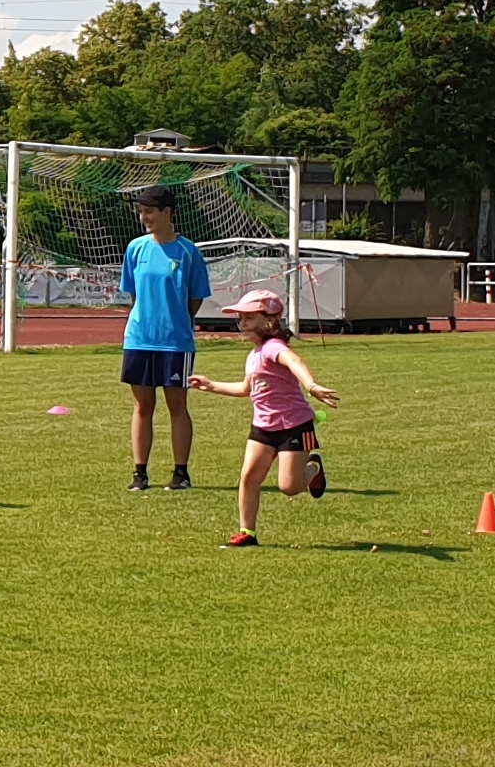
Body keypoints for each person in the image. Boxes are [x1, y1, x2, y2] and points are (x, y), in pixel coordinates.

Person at [198, 284, 337, 547]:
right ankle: (247, 532)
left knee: (289, 487)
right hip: (263, 427)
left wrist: (311, 385)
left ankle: (313, 468)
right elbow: (246, 389)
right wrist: (211, 385)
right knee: (249, 476)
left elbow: (295, 362)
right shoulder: (253, 355)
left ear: (270, 320)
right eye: (240, 319)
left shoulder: (273, 347)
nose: (243, 323)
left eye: (249, 317)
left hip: (296, 426)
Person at [114, 186, 212, 493]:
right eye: (141, 212)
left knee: (177, 405)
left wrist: (174, 320)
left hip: (175, 342)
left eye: (149, 212)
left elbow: (195, 300)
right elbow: (133, 294)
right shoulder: (136, 248)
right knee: (142, 406)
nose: (144, 218)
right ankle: (140, 473)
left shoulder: (188, 251)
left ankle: (180, 473)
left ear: (167, 213)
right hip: (139, 339)